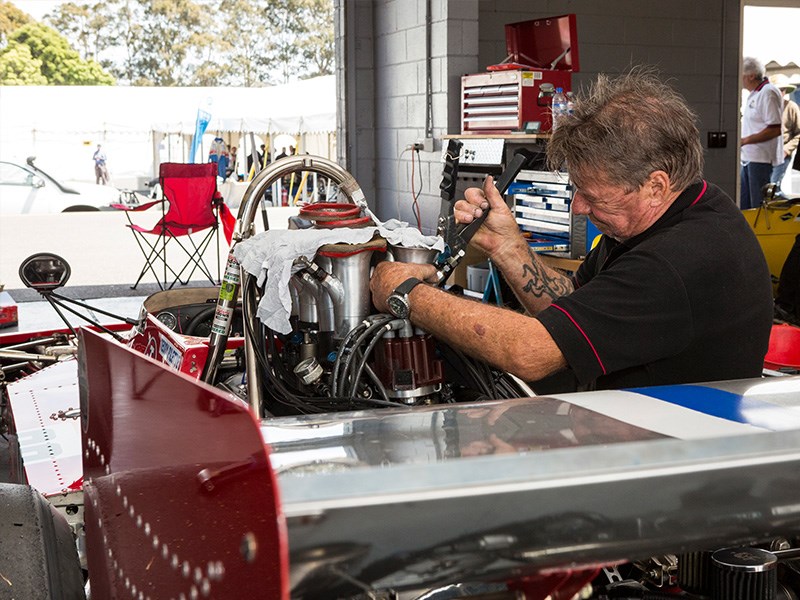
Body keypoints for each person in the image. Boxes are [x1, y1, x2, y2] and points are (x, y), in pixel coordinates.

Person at [370, 70, 774, 393]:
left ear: (656, 185)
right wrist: (507, 245)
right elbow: (575, 305)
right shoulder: (680, 209)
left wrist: (405, 294)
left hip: (677, 464)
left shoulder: (676, 260)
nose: (579, 207)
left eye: (592, 195)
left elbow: (531, 351)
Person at [741, 57, 784, 209]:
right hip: (749, 157)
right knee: (745, 203)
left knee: (758, 204)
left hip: (761, 158)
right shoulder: (754, 94)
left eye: (742, 74)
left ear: (751, 76)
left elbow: (774, 128)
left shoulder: (768, 92)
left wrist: (745, 140)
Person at [770, 76, 800, 198]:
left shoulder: (791, 107)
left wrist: (787, 149)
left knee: (773, 186)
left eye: (783, 90)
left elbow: (799, 133)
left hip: (783, 153)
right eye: (778, 90)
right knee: (766, 188)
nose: (781, 93)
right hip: (765, 155)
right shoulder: (767, 105)